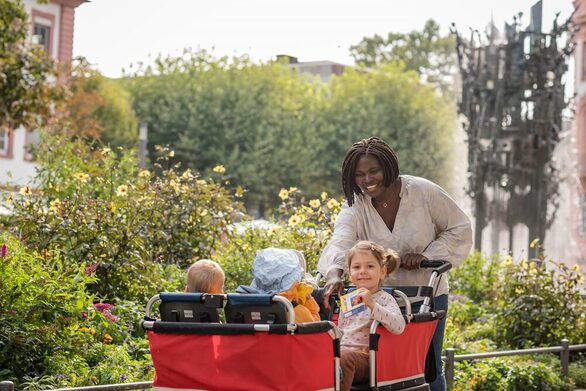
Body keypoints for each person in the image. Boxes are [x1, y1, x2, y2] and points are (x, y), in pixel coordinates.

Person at [318, 137, 472, 391]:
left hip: (426, 293)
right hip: (377, 298)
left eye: (373, 171)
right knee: (384, 372)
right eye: (359, 174)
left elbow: (459, 228)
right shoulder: (356, 207)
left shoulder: (423, 191)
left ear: (388, 167)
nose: (367, 180)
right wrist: (334, 273)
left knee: (427, 367)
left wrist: (427, 255)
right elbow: (340, 241)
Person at [339, 241, 405, 391]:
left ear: (382, 272)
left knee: (344, 357)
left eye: (370, 266)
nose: (362, 271)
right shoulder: (350, 299)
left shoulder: (385, 299)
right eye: (356, 267)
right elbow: (342, 329)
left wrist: (373, 305)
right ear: (350, 273)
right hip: (343, 353)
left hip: (368, 359)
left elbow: (399, 326)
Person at [237, 248, 320, 323]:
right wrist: (309, 301)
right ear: (294, 282)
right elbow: (315, 324)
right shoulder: (294, 311)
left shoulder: (243, 305)